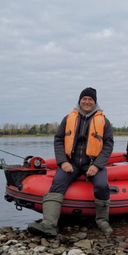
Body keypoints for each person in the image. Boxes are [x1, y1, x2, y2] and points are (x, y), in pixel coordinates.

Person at [28, 87, 114, 237]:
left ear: (95, 102)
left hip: (92, 163)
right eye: (84, 99)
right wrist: (62, 162)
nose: (87, 102)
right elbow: (59, 140)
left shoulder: (104, 121)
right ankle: (49, 224)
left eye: (90, 99)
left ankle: (102, 221)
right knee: (58, 183)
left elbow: (108, 145)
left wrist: (97, 165)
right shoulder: (68, 118)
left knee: (101, 185)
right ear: (80, 101)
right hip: (71, 163)